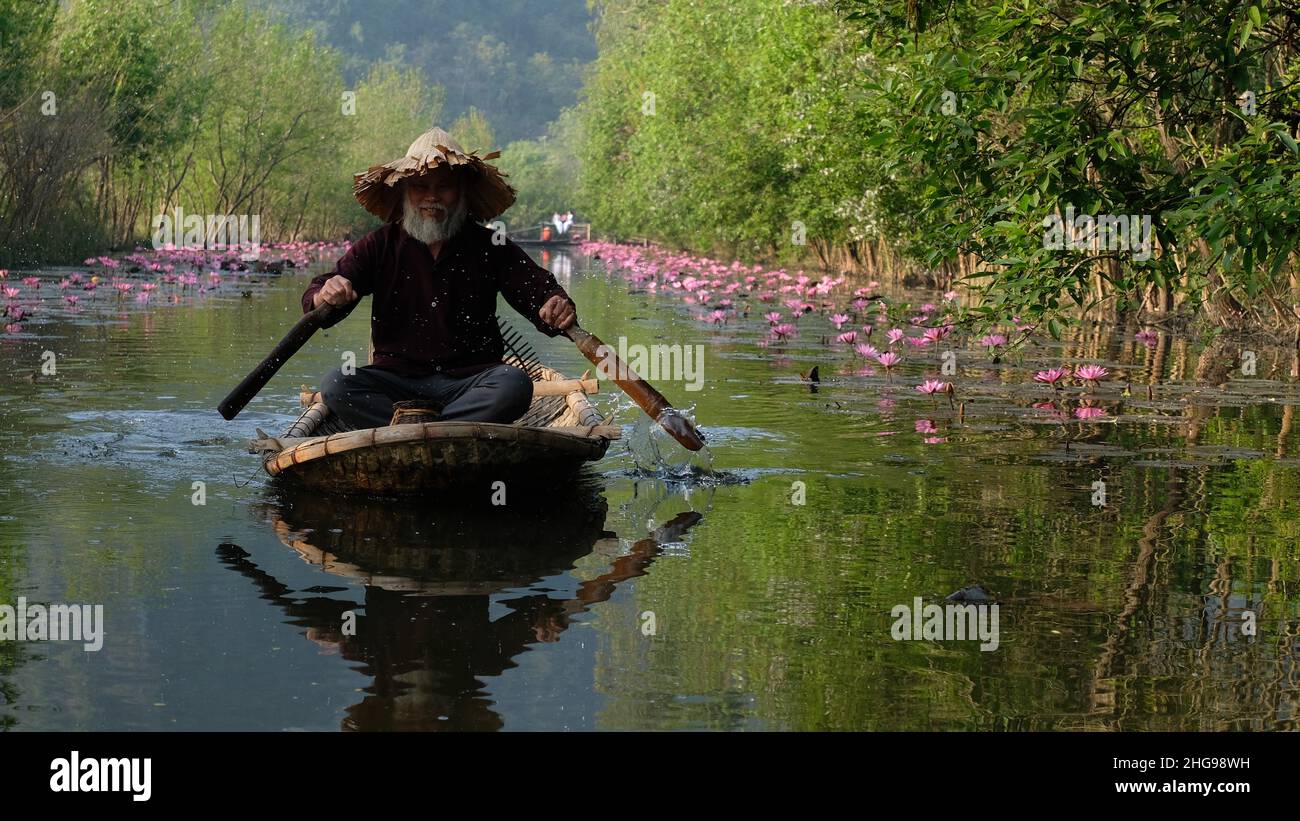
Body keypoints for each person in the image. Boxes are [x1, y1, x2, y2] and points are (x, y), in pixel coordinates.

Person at [303, 127, 577, 430]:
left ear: (461, 193)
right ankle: (436, 429)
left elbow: (537, 291)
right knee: (336, 384)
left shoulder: (490, 246)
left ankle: (416, 431)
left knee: (514, 384)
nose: (431, 197)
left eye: (444, 187)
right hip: (396, 383)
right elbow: (324, 295)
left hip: (471, 383)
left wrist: (554, 304)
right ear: (404, 191)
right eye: (421, 186)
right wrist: (325, 293)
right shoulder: (380, 245)